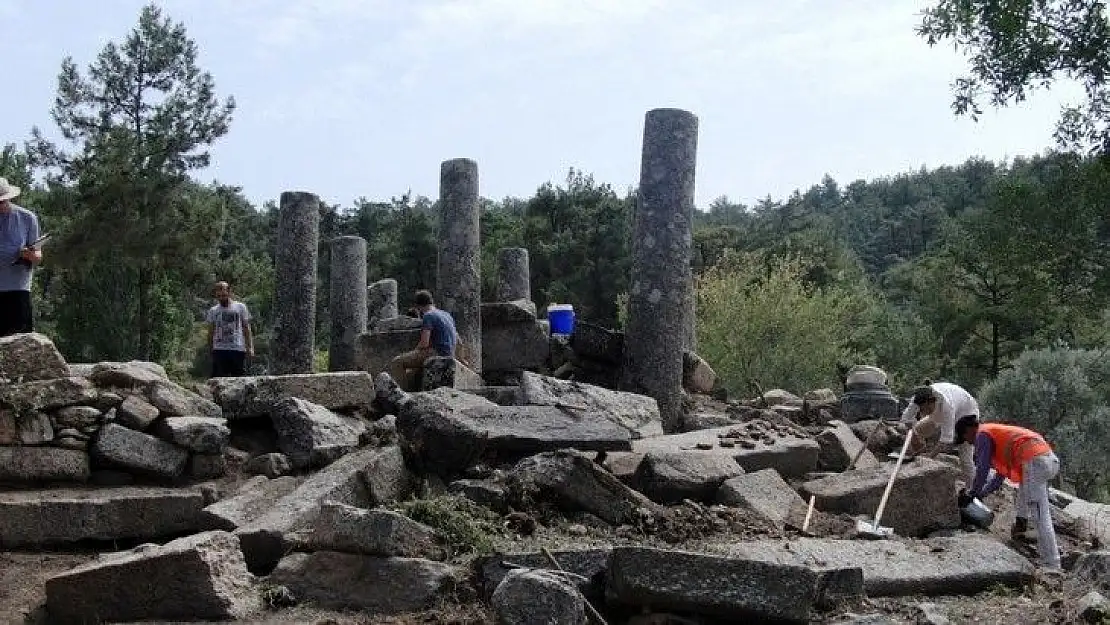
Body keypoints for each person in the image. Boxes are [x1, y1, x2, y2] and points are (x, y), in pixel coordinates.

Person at [956, 416, 1061, 572]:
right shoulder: (995, 434)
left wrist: (972, 493)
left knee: (1040, 515)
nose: (968, 443)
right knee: (1024, 494)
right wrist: (981, 494)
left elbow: (983, 469)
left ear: (969, 430)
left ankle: (1052, 565)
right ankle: (1021, 527)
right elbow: (998, 478)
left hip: (1035, 462)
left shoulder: (982, 435)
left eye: (964, 437)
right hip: (1046, 459)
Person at [900, 379, 980, 485]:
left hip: (966, 415)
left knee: (965, 457)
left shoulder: (947, 406)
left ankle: (973, 490)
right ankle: (917, 452)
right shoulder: (917, 399)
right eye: (922, 410)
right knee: (919, 429)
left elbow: (946, 439)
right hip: (939, 415)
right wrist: (914, 436)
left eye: (928, 409)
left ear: (933, 401)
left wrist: (930, 456)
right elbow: (906, 418)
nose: (925, 412)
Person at [389, 290, 458, 390]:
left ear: (419, 306)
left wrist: (414, 351)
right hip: (450, 353)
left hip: (436, 352)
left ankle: (402, 394)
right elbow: (458, 339)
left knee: (397, 362)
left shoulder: (428, 316)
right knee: (412, 373)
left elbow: (424, 343)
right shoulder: (447, 315)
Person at [0, 177, 43, 337]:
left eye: (2, 201)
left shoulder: (27, 218)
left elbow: (38, 256)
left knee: (20, 343)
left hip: (18, 290)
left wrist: (29, 254)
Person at [205, 281, 254, 378]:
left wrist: (250, 347)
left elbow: (246, 328)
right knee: (218, 379)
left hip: (237, 349)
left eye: (223, 295)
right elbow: (211, 331)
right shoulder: (213, 310)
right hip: (219, 349)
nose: (221, 298)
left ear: (229, 293)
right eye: (218, 296)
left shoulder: (240, 307)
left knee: (239, 379)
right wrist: (210, 349)